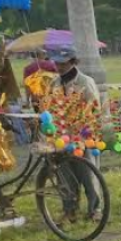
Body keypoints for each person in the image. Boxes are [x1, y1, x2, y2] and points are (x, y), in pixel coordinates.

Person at [47, 49, 102, 222]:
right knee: (64, 177)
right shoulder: (54, 83)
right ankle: (69, 210)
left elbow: (94, 109)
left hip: (82, 137)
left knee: (88, 176)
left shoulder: (86, 82)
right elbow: (49, 108)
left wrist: (82, 130)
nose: (60, 67)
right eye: (57, 63)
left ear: (73, 62)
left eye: (63, 63)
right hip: (60, 138)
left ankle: (95, 209)